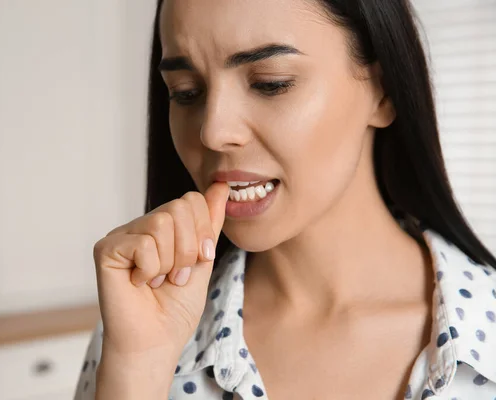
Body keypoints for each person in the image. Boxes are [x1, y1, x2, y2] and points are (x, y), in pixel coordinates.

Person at [74, 0, 496, 398]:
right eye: (185, 92)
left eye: (270, 84)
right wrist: (137, 369)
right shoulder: (138, 335)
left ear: (383, 92)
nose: (213, 131)